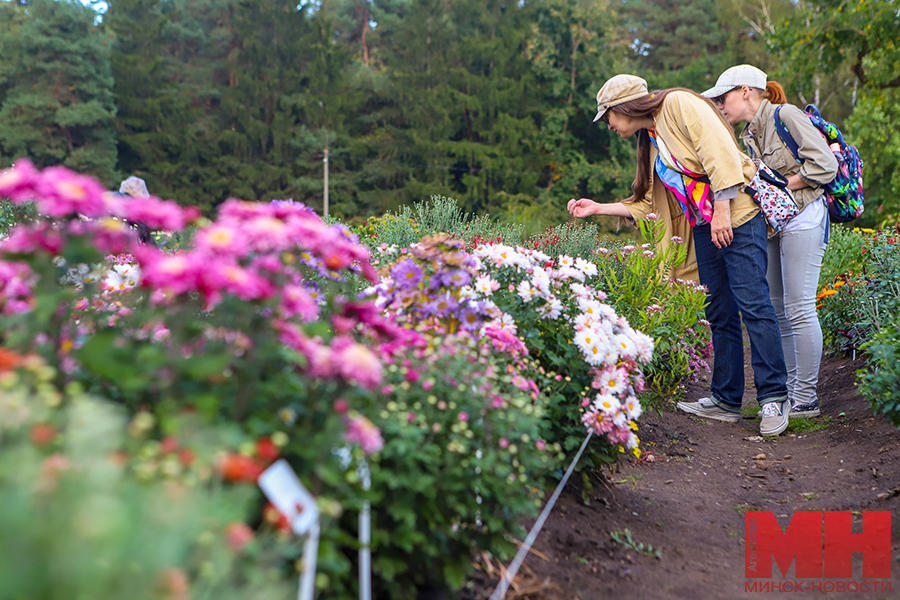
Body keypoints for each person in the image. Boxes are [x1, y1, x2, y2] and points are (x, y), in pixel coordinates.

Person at [568, 74, 790, 436]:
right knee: (718, 309)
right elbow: (647, 203)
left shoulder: (679, 105)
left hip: (736, 215)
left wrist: (721, 213)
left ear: (623, 107)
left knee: (754, 303)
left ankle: (774, 398)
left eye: (607, 116)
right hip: (706, 223)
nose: (607, 125)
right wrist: (598, 208)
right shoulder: (652, 137)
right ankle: (726, 399)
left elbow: (720, 154)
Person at [701, 65, 837, 419]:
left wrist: (779, 185)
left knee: (799, 306)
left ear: (746, 91)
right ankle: (790, 391)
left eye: (723, 97)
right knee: (777, 307)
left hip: (806, 216)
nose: (719, 105)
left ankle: (806, 397)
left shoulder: (785, 115)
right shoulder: (749, 134)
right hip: (776, 223)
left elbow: (825, 166)